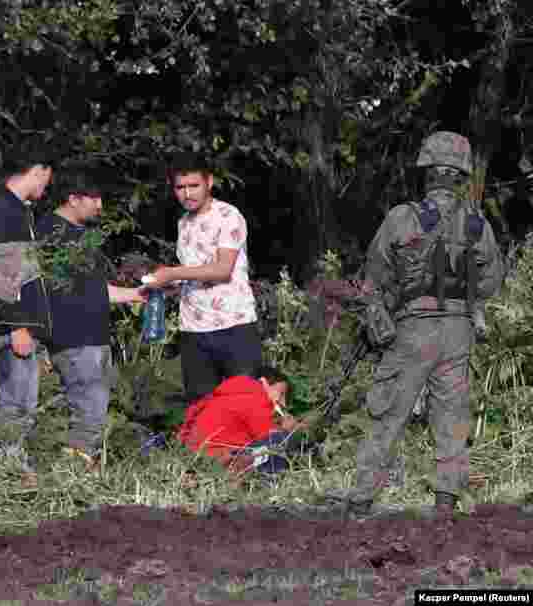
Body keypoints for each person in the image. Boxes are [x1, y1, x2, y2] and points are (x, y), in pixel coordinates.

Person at [333, 131, 503, 519]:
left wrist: (380, 317)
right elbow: (491, 280)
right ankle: (445, 504)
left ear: (427, 173)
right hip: (459, 330)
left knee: (389, 413)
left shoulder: (402, 218)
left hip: (413, 330)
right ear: (462, 176)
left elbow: (374, 277)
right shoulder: (478, 225)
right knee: (451, 416)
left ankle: (360, 503)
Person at [34, 174, 145, 467]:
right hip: (74, 337)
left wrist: (136, 294)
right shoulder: (51, 233)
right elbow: (49, 291)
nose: (100, 205)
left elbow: (94, 290)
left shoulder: (79, 234)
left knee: (93, 413)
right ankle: (70, 477)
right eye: (93, 198)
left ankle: (81, 471)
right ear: (72, 199)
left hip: (93, 337)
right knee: (87, 414)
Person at [143, 156, 263, 406]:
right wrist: (161, 284)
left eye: (193, 185)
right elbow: (192, 273)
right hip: (193, 328)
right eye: (180, 187)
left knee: (242, 405)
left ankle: (253, 447)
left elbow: (222, 270)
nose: (187, 194)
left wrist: (173, 273)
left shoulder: (228, 215)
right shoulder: (184, 223)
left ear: (209, 182)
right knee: (202, 409)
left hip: (234, 323)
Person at [0, 146, 54, 461]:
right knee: (15, 405)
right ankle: (4, 467)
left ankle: (15, 465)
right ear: (38, 170)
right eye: (47, 178)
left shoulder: (19, 210)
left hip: (23, 324)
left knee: (24, 406)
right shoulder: (0, 210)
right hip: (11, 324)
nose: (47, 187)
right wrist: (17, 324)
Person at [176, 366, 305, 479]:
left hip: (197, 460)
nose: (283, 403)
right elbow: (267, 435)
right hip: (222, 461)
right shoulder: (256, 397)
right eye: (281, 394)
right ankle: (267, 480)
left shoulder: (224, 396)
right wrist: (290, 429)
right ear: (263, 382)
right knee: (280, 440)